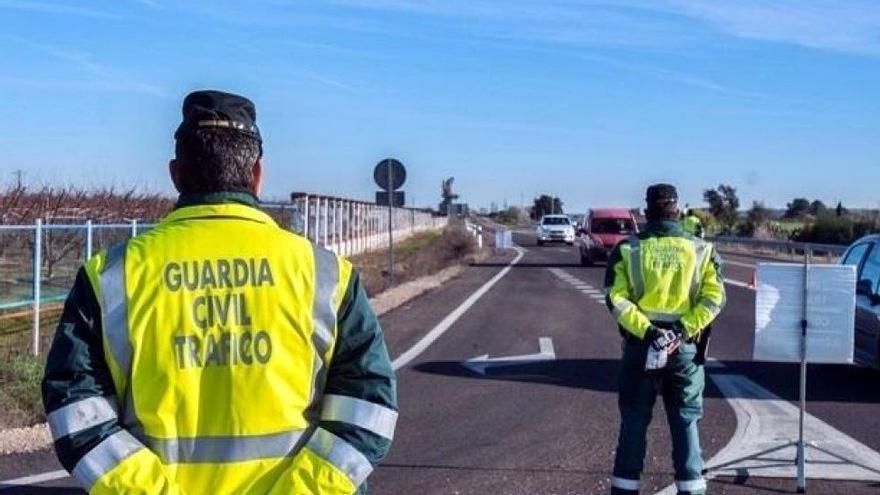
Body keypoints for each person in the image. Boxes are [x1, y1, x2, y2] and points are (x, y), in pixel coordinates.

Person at [42, 90, 397, 495]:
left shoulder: (111, 276)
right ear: (257, 173)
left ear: (176, 174)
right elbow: (368, 408)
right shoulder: (325, 274)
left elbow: (76, 409)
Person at [604, 184, 726, 495]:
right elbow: (714, 300)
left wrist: (649, 332)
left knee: (633, 422)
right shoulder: (701, 250)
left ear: (646, 212)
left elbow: (616, 300)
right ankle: (692, 491)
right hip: (684, 349)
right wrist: (682, 330)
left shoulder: (629, 250)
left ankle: (624, 490)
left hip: (641, 345)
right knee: (686, 423)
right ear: (678, 210)